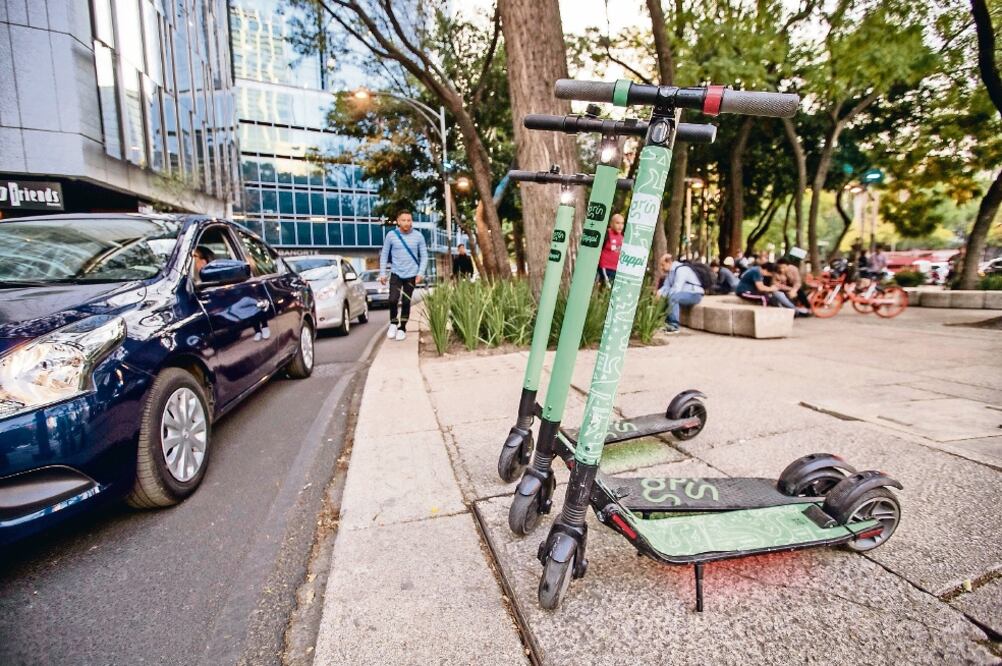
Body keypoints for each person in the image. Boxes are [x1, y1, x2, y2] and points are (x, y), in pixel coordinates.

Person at [379, 209, 428, 341]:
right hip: (396, 273)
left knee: (406, 302)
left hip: (411, 275)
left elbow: (424, 256)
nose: (406, 223)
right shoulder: (391, 235)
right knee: (392, 299)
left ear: (411, 222)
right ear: (398, 221)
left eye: (409, 220)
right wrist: (382, 273)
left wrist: (420, 273)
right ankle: (394, 323)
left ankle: (402, 328)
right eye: (404, 220)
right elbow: (384, 255)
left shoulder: (418, 236)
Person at [736, 261, 807, 314]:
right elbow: (760, 288)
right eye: (770, 274)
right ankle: (763, 315)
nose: (769, 276)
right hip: (744, 291)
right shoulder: (756, 272)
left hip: (751, 291)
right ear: (766, 270)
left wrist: (772, 289)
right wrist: (772, 289)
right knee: (764, 298)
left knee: (771, 297)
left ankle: (788, 311)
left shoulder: (757, 270)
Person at [657, 254, 704, 334]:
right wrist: (659, 293)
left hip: (694, 294)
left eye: (663, 265)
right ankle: (666, 323)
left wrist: (664, 294)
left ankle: (674, 326)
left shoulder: (681, 269)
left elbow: (677, 288)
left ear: (669, 262)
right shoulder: (670, 273)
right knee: (667, 296)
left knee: (673, 297)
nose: (661, 268)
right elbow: (666, 286)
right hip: (683, 294)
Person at [597, 213, 625, 286]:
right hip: (605, 268)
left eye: (622, 223)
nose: (620, 226)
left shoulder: (622, 237)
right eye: (617, 223)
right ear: (611, 224)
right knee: (606, 287)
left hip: (616, 269)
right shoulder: (606, 234)